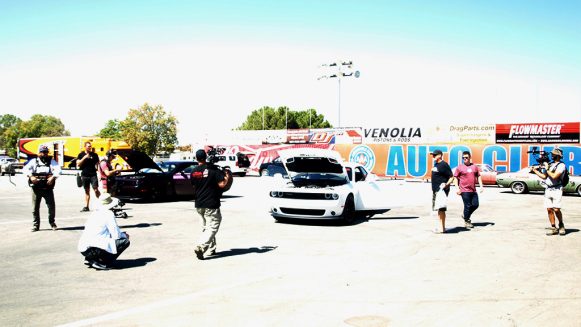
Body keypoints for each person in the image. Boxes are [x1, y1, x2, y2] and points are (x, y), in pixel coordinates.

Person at [191, 148, 231, 260]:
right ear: (205, 157)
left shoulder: (194, 172)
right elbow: (222, 185)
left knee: (205, 227)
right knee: (213, 226)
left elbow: (194, 186)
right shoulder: (213, 170)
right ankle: (201, 247)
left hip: (199, 203)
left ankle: (212, 248)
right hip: (211, 203)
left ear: (196, 158)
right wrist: (227, 177)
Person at [78, 193, 131, 270]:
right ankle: (103, 262)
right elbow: (116, 235)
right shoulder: (108, 214)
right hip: (94, 249)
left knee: (103, 240)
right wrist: (124, 235)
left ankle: (91, 258)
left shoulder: (94, 213)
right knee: (125, 241)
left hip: (83, 248)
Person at [23, 145, 61, 232]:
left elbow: (58, 170)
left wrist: (53, 177)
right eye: (42, 152)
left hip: (48, 188)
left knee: (51, 207)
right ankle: (36, 225)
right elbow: (25, 169)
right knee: (35, 208)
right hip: (36, 188)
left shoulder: (52, 161)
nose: (44, 154)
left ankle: (52, 223)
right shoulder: (33, 161)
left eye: (46, 152)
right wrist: (31, 176)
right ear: (38, 153)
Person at [531, 148, 567, 236]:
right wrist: (534, 170)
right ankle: (553, 227)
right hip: (548, 189)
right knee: (549, 209)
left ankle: (561, 225)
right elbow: (544, 176)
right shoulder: (550, 164)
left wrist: (547, 169)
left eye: (554, 154)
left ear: (558, 156)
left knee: (556, 209)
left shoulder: (561, 165)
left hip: (557, 189)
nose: (552, 155)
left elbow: (554, 176)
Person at [454, 151, 484, 229]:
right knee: (467, 205)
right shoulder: (460, 167)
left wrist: (481, 186)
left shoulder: (474, 166)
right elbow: (455, 178)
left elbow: (479, 176)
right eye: (463, 158)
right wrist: (457, 188)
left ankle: (465, 215)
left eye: (466, 157)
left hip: (473, 190)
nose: (465, 159)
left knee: (475, 205)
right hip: (464, 190)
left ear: (470, 157)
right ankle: (467, 221)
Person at [430, 149, 454, 233]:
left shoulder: (444, 164)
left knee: (441, 209)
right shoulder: (436, 164)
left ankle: (442, 229)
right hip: (436, 191)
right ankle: (441, 227)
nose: (433, 157)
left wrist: (446, 185)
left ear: (440, 155)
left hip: (441, 191)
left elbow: (451, 177)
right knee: (439, 209)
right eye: (432, 155)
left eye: (434, 155)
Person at [77, 141, 101, 212]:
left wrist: (100, 174)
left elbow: (98, 164)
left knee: (96, 189)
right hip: (85, 175)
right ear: (85, 147)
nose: (89, 147)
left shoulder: (94, 155)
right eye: (88, 146)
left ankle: (102, 204)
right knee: (87, 191)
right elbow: (78, 164)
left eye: (90, 146)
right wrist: (84, 158)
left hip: (93, 174)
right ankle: (86, 206)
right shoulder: (81, 154)